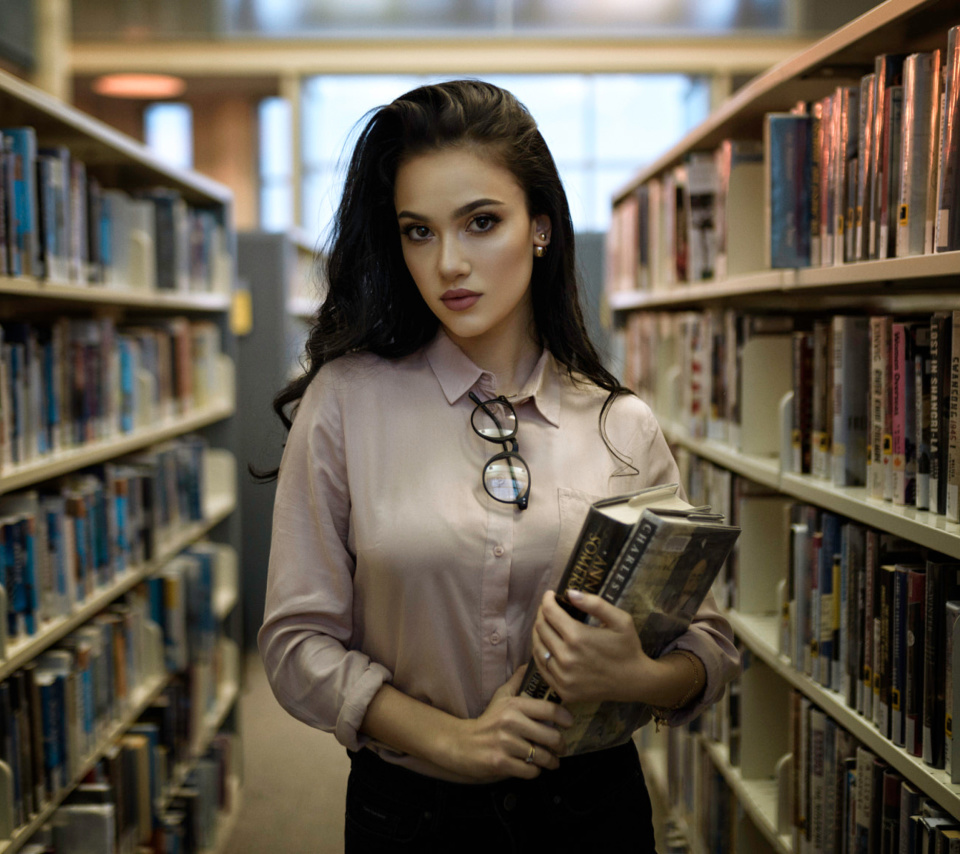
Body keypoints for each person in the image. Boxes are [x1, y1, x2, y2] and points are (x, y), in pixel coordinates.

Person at [258, 79, 740, 852]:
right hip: (413, 814)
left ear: (541, 228)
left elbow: (706, 646)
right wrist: (452, 740)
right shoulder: (346, 403)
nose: (449, 263)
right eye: (419, 231)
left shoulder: (622, 425)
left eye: (481, 222)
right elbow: (295, 644)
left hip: (594, 813)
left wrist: (638, 678)